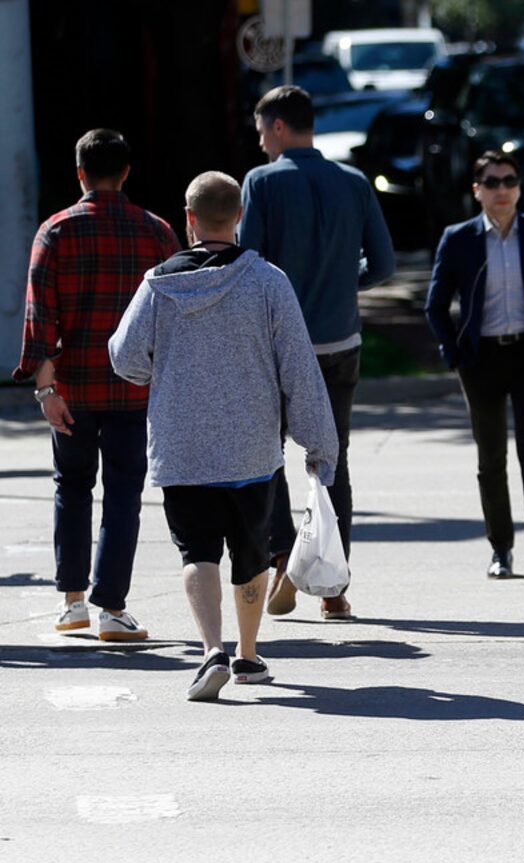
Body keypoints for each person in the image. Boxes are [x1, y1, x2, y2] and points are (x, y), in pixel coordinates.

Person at [109, 171, 338, 702]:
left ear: (187, 219)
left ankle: (210, 648)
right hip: (252, 449)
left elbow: (123, 357)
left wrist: (157, 370)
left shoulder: (158, 285)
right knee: (250, 553)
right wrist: (320, 444)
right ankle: (248, 654)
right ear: (239, 217)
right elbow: (299, 371)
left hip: (181, 446)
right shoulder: (268, 282)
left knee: (197, 551)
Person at [12, 129, 180, 643]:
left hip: (73, 389)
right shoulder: (156, 233)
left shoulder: (55, 232)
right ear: (126, 172)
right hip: (134, 388)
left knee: (71, 487)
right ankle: (112, 607)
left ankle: (71, 603)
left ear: (79, 173)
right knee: (124, 494)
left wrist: (45, 391)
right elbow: (172, 317)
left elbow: (42, 317)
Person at [239, 84, 395, 622]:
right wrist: (343, 285)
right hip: (340, 342)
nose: (260, 142)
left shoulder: (261, 182)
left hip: (280, 346)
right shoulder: (353, 181)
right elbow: (384, 263)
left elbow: (247, 262)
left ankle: (283, 557)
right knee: (334, 463)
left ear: (280, 126)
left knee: (267, 460)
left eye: (262, 130)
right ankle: (333, 588)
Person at [423, 152, 524, 581]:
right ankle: (501, 548)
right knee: (490, 457)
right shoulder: (458, 239)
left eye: (509, 181)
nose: (501, 190)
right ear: (476, 190)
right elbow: (435, 306)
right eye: (492, 182)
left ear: (519, 186)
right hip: (482, 360)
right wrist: (454, 353)